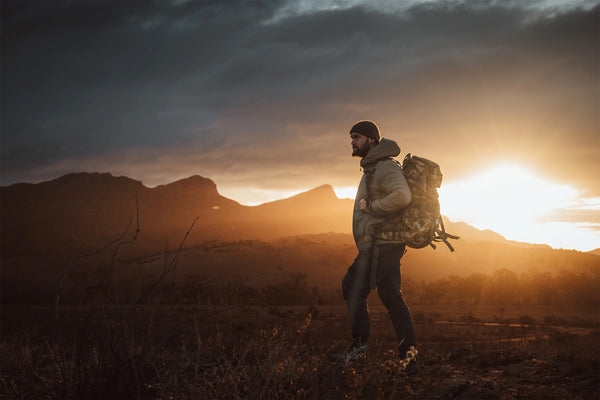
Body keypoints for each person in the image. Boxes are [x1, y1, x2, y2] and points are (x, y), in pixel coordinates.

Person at [340, 120, 418, 374]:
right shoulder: (373, 167)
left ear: (372, 140)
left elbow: (402, 196)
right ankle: (410, 360)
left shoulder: (384, 167)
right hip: (384, 241)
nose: (352, 141)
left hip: (383, 243)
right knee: (391, 297)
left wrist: (372, 208)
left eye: (357, 137)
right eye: (352, 137)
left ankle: (358, 350)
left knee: (352, 287)